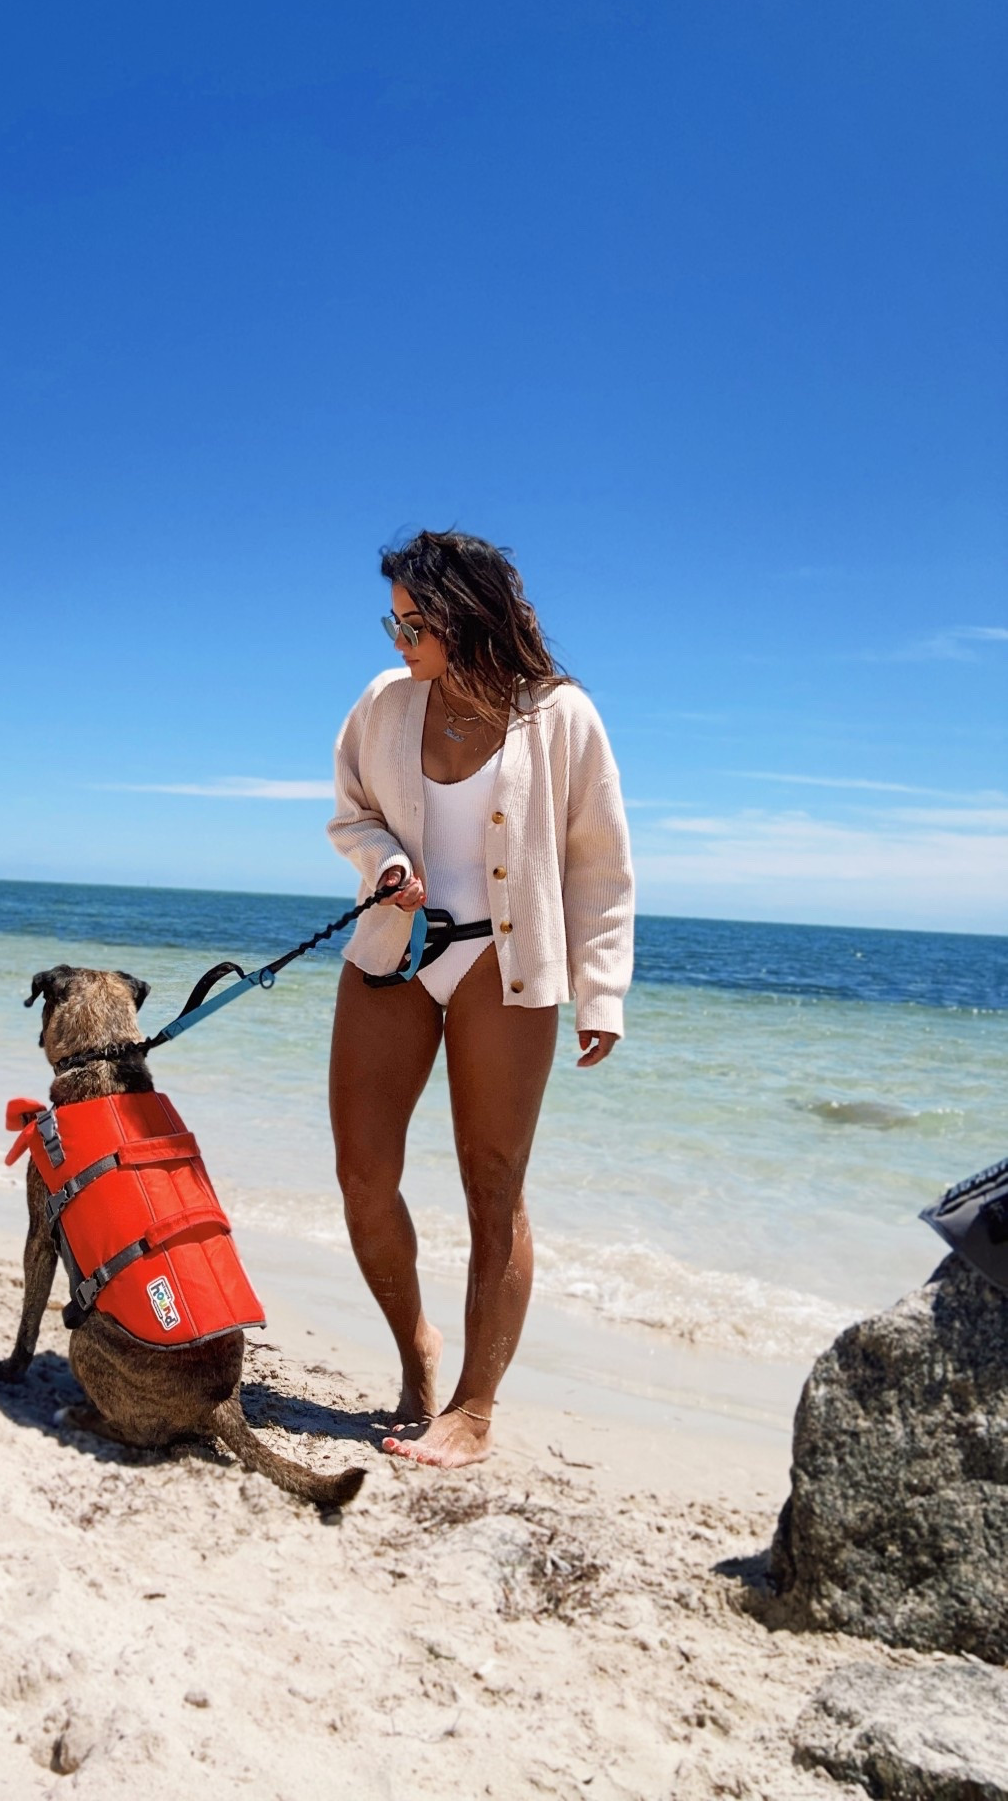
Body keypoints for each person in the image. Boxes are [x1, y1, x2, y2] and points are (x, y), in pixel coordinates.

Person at [327, 530, 633, 1469]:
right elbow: (352, 812)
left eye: (412, 622)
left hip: (508, 971)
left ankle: (473, 1408)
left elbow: (599, 865)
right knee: (363, 1176)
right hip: (392, 957)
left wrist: (600, 992)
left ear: (464, 616)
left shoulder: (562, 715)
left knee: (493, 1188)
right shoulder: (383, 705)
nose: (395, 639)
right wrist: (384, 862)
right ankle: (416, 1350)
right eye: (392, 619)